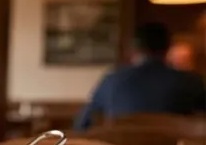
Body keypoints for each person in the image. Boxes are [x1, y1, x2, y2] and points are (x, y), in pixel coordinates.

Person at [74, 23, 206, 129]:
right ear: (167, 49)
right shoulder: (191, 82)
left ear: (133, 49)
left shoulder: (112, 80)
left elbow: (82, 126)